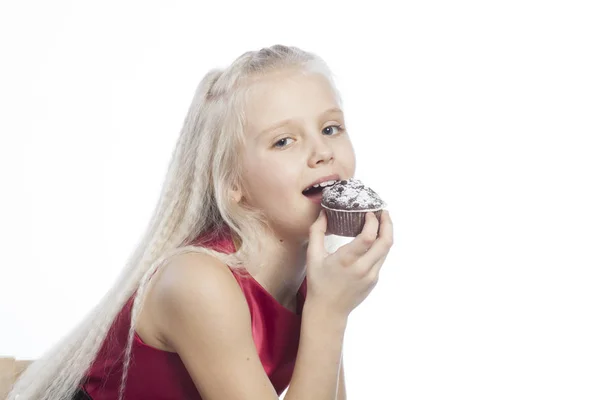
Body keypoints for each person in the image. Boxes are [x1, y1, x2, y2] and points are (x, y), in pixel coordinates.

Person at [8, 44, 394, 400]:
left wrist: (328, 308)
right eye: (283, 141)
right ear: (232, 185)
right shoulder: (198, 282)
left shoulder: (316, 280)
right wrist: (328, 313)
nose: (322, 151)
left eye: (330, 129)